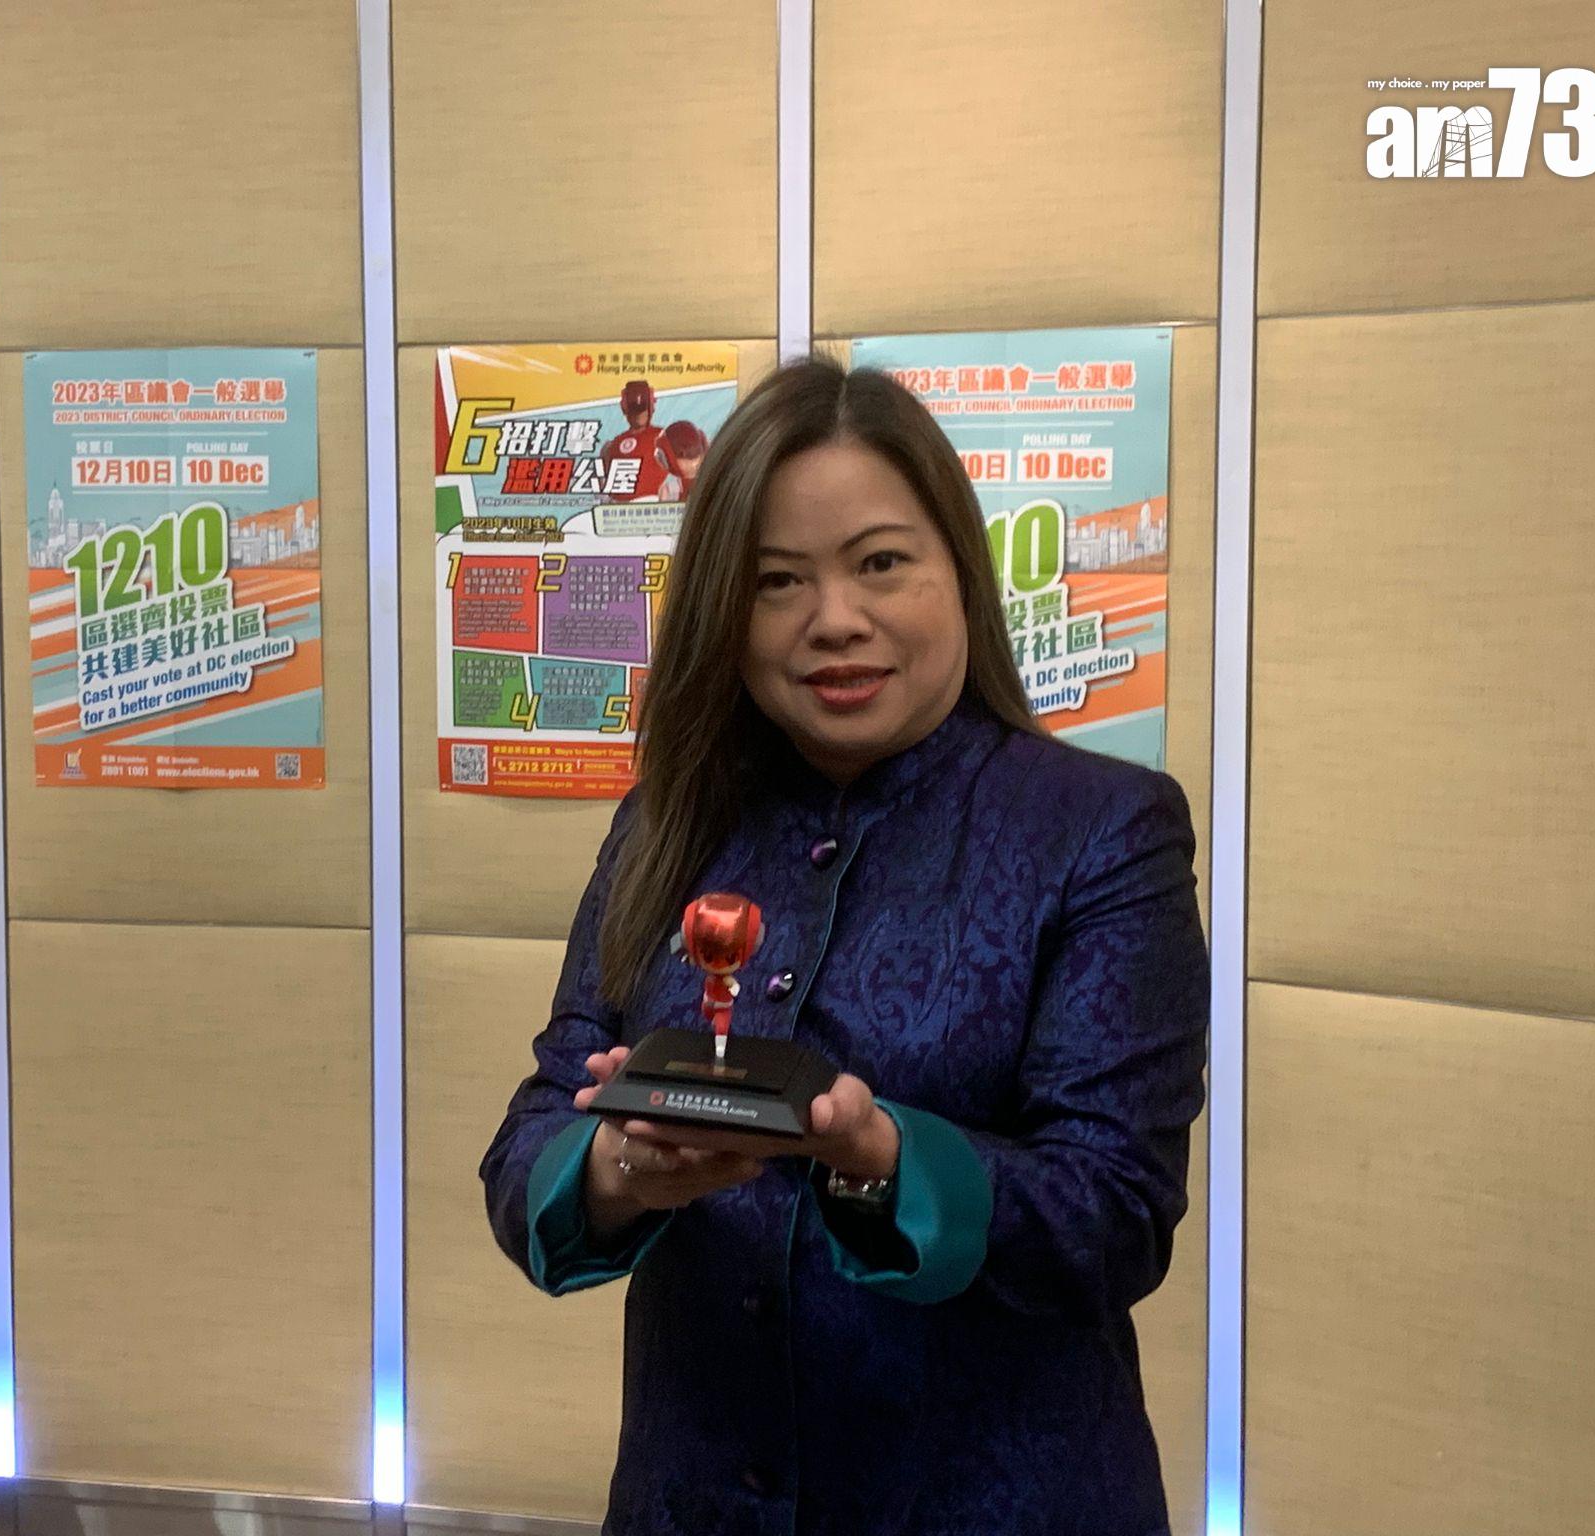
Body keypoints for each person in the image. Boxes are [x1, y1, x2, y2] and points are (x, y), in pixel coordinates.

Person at [480, 357, 1208, 1536]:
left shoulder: (1100, 831)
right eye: (777, 580)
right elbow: (530, 1142)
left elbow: (1112, 1212)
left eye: (879, 563)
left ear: (957, 571)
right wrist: (618, 1169)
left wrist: (879, 1163)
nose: (833, 619)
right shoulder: (670, 821)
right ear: (726, 609)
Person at [600, 379, 669, 502]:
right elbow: (602, 484)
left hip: (650, 504)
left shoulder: (663, 436)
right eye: (635, 411)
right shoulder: (612, 445)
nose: (639, 415)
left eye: (642, 410)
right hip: (619, 507)